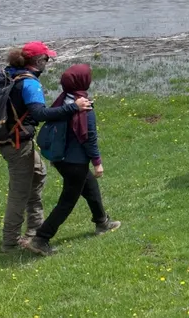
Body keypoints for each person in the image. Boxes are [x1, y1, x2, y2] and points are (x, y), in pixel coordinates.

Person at [0, 42, 90, 253]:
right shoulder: (30, 84)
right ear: (39, 61)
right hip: (16, 143)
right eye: (46, 59)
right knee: (19, 191)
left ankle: (35, 229)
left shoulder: (11, 73)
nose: (47, 63)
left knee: (38, 174)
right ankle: (10, 243)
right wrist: (73, 107)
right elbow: (40, 114)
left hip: (11, 138)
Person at [27, 64, 120, 256]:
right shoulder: (84, 106)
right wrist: (97, 162)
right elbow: (89, 137)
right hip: (75, 163)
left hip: (61, 159)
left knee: (91, 187)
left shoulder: (63, 101)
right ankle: (41, 239)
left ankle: (102, 222)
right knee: (67, 201)